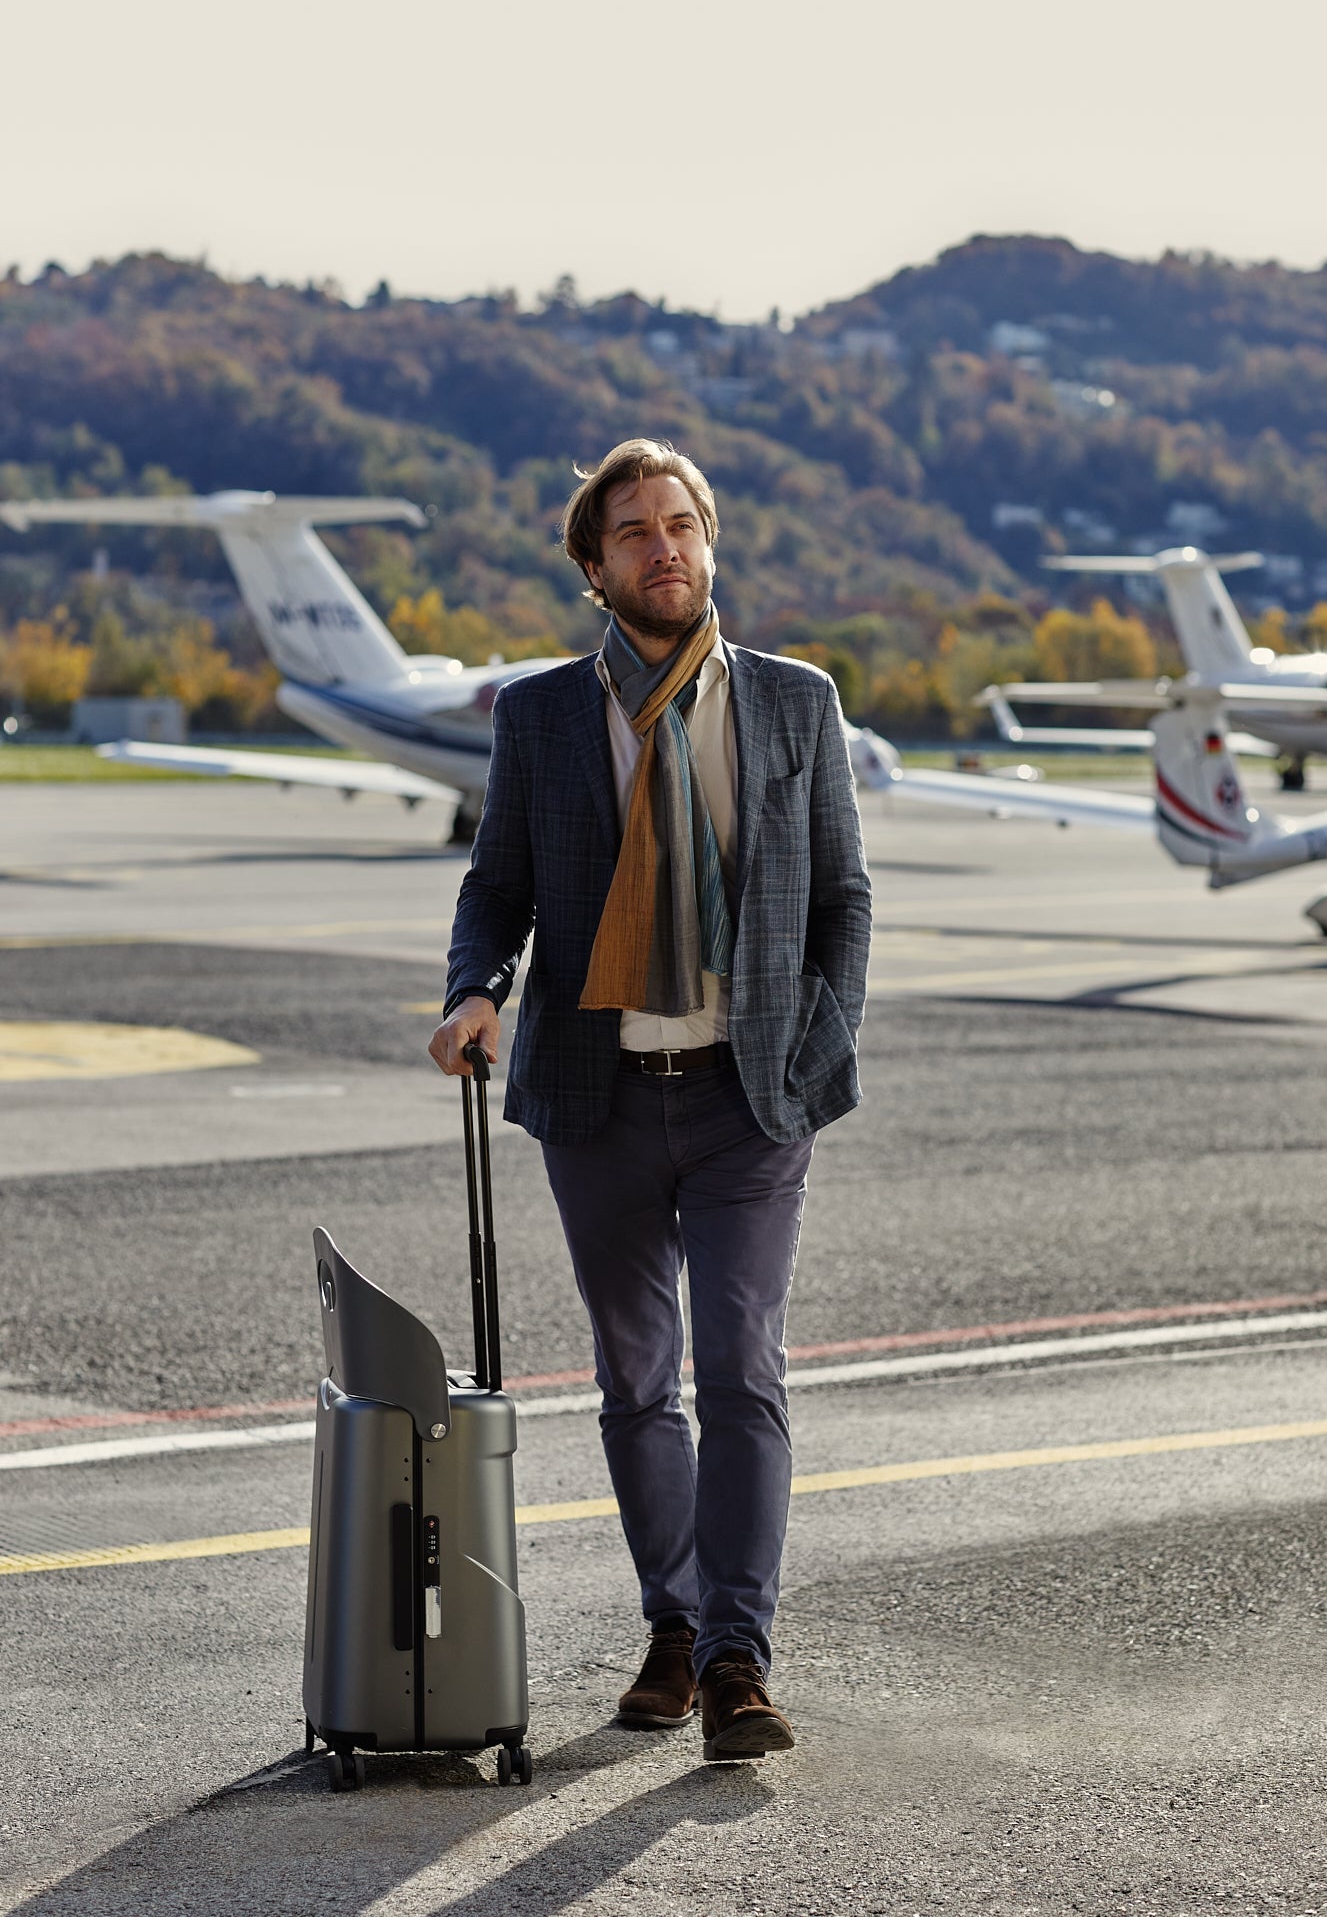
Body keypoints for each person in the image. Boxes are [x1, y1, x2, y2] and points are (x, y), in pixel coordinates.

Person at [429, 438, 872, 1761]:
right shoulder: (544, 714)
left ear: (711, 541)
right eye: (633, 532)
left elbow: (842, 894)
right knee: (636, 1382)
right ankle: (670, 1630)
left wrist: (820, 1037)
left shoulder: (796, 702)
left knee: (740, 1368)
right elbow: (495, 886)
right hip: (598, 1092)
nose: (663, 548)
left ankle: (737, 1657)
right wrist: (474, 989)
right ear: (591, 566)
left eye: (682, 525)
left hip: (749, 1096)